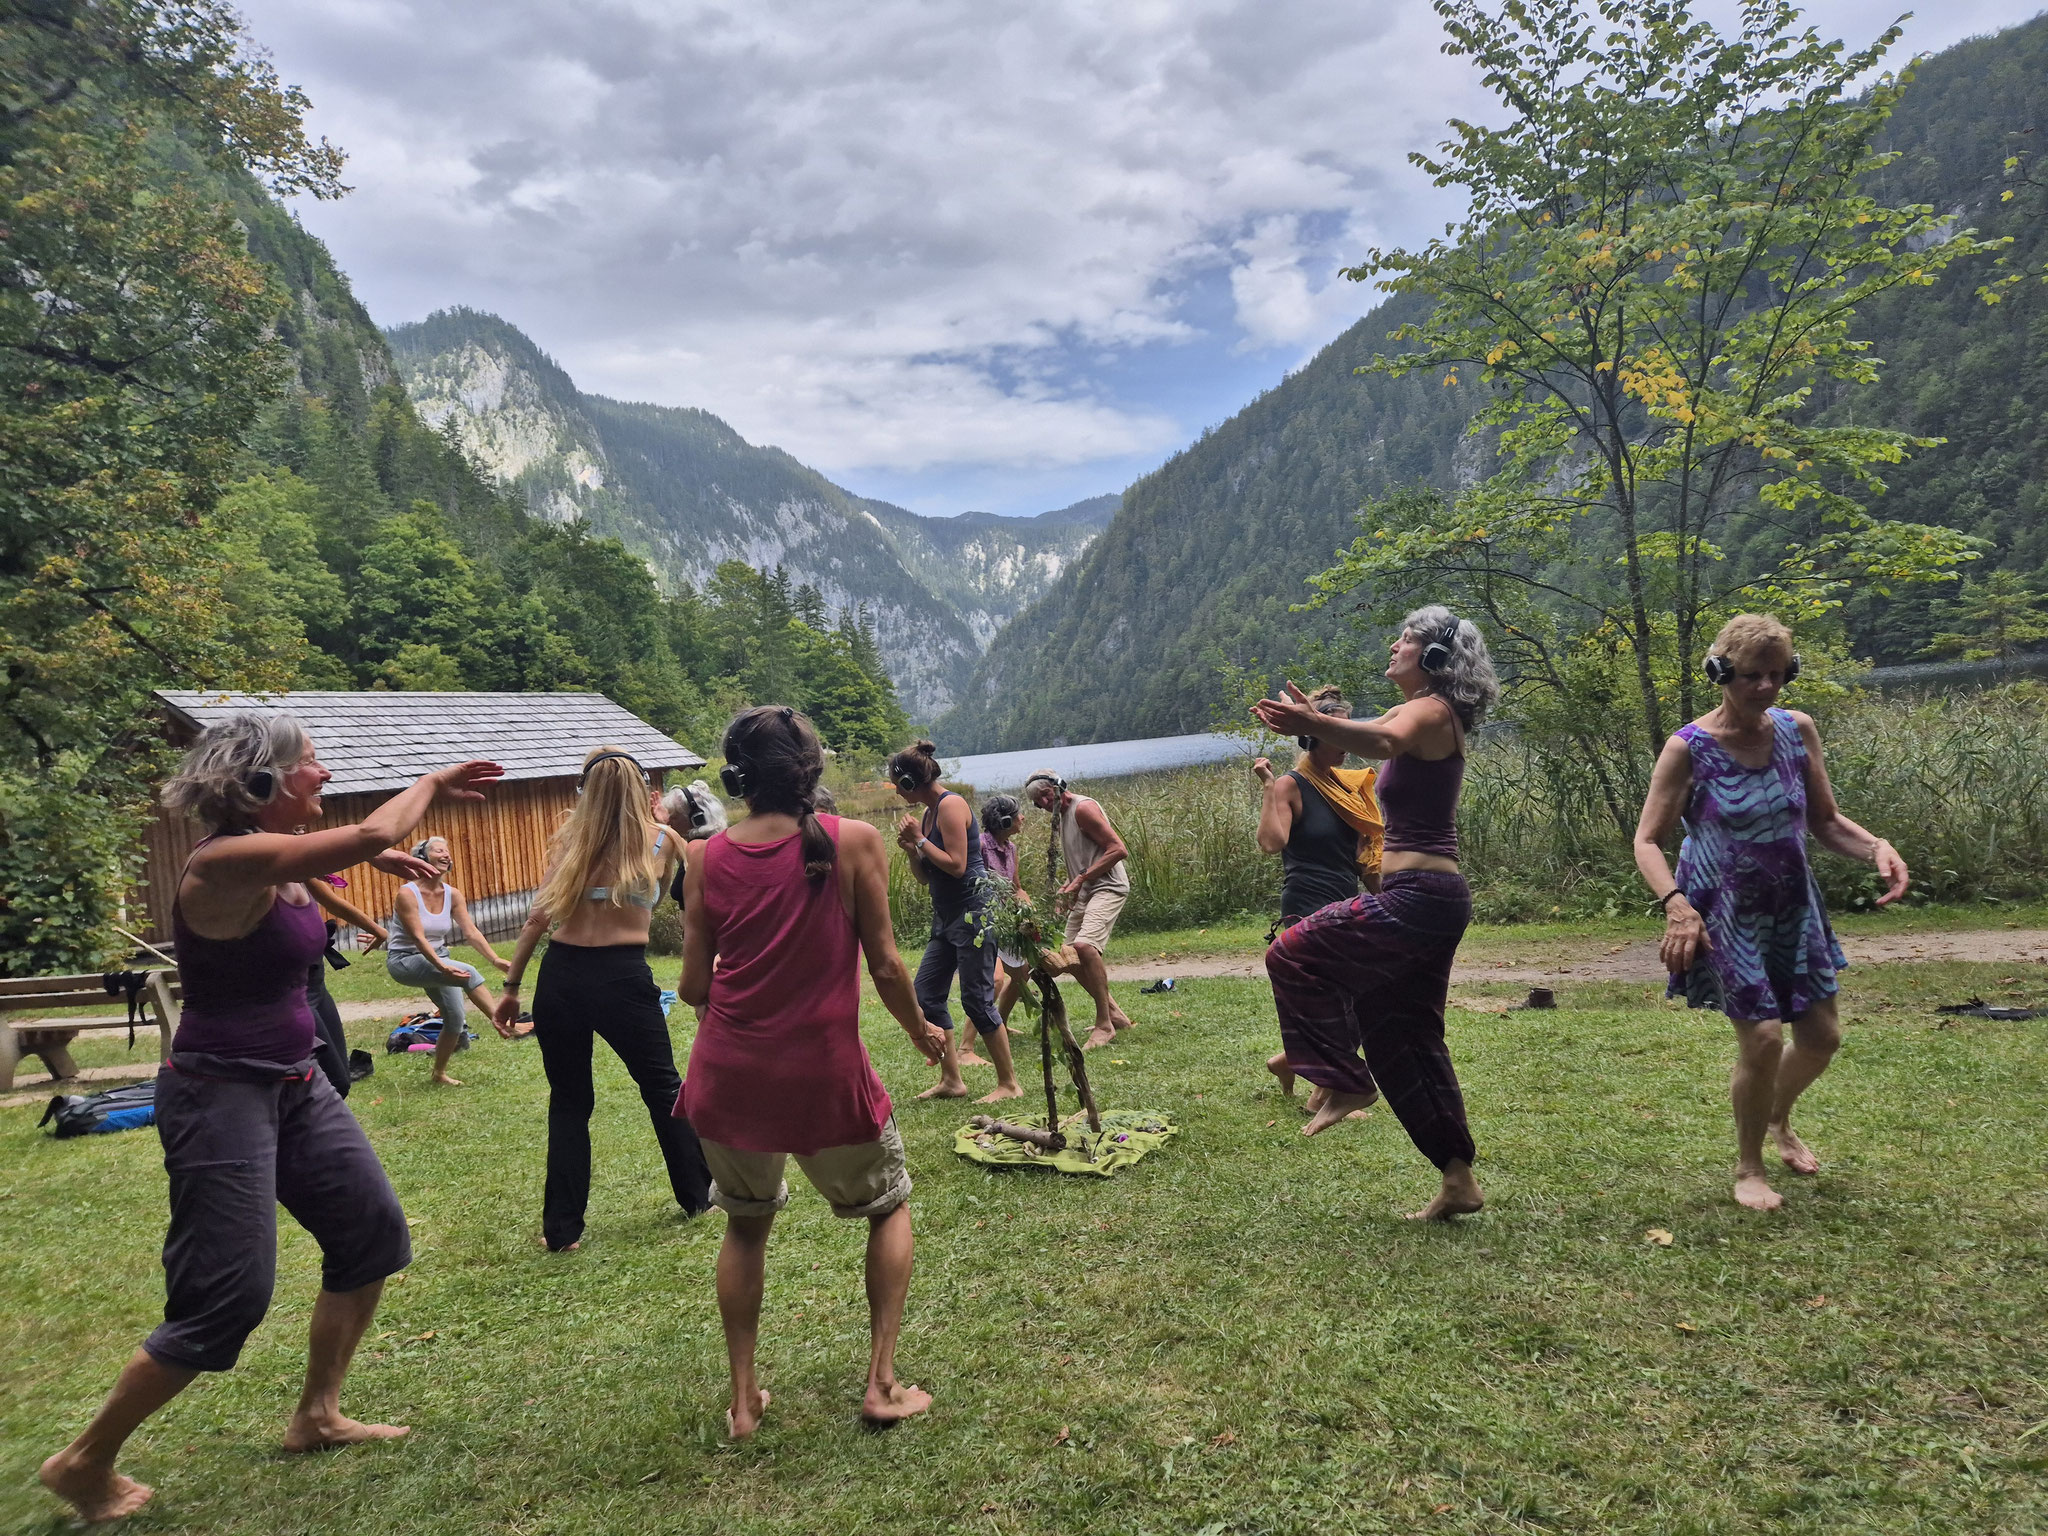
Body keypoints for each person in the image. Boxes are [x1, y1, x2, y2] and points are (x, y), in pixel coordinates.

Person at [39, 713, 497, 1525]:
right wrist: (426, 787)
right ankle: (83, 1460)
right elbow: (368, 829)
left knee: (370, 1235)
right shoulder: (224, 861)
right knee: (225, 1297)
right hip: (221, 1094)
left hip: (295, 1083)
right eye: (311, 764)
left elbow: (324, 869)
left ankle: (317, 1414)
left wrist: (372, 858)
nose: (322, 775)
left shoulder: (278, 865)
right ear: (260, 782)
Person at [677, 705, 946, 1438]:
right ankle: (882, 1385)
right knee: (887, 1206)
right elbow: (887, 964)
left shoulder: (702, 858)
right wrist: (922, 1031)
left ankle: (743, 1403)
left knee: (744, 1223)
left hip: (727, 1078)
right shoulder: (854, 840)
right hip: (825, 1075)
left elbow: (695, 988)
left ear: (738, 777)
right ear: (811, 770)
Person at [1633, 614, 1909, 1212]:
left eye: (1778, 676)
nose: (1766, 688)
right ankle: (1749, 1167)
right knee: (1760, 1040)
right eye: (1753, 675)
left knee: (1822, 1038)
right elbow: (1647, 840)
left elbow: (1826, 821)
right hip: (1725, 911)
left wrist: (1877, 848)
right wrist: (1676, 906)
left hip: (1793, 906)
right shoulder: (1689, 746)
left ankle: (1778, 1118)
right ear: (1720, 671)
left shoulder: (1795, 730)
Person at [1251, 605, 1497, 1220]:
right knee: (1404, 1039)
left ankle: (1342, 1078)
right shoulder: (1413, 711)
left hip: (1420, 898)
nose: (1395, 645)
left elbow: (1384, 740)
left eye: (1407, 640)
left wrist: (1308, 719)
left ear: (1436, 658)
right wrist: (1313, 723)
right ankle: (1458, 1178)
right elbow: (1369, 729)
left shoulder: (1433, 710)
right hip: (1427, 900)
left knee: (1289, 952)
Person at [492, 750, 714, 1252]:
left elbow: (536, 919)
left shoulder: (571, 844)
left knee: (569, 1102)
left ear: (584, 792)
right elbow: (700, 908)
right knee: (662, 1088)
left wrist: (511, 988)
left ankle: (562, 1231)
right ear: (642, 791)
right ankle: (699, 1196)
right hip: (622, 977)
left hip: (561, 977)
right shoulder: (665, 840)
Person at [1252, 685, 1384, 1104]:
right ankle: (1323, 1092)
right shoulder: (1293, 785)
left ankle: (1289, 1062)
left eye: (1346, 728)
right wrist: (1269, 787)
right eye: (1336, 730)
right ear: (1311, 735)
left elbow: (1364, 858)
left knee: (1365, 995)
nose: (1345, 739)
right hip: (1307, 906)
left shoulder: (1348, 788)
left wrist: (1390, 902)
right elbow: (1273, 843)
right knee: (1337, 1002)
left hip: (1347, 903)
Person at [892, 740, 1018, 1104]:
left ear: (909, 781)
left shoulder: (951, 805)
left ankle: (1009, 1083)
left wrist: (919, 840)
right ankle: (952, 1081)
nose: (897, 793)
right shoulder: (930, 813)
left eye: (896, 784)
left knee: (977, 1000)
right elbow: (926, 877)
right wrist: (912, 848)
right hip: (946, 917)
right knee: (926, 992)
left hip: (973, 912)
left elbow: (958, 865)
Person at [384, 836, 510, 1086]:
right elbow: (418, 938)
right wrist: (442, 966)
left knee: (454, 1019)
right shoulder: (407, 893)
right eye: (438, 851)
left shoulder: (452, 894)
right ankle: (501, 1023)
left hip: (438, 961)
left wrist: (495, 959)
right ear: (421, 858)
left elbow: (471, 932)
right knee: (469, 972)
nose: (445, 855)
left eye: (447, 852)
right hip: (404, 961)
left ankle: (439, 1074)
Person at [1021, 770, 1132, 1049]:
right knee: (1066, 953)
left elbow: (1118, 849)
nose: (1045, 804)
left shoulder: (1083, 809)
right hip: (1085, 890)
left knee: (1084, 947)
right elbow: (1084, 860)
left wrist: (1081, 879)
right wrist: (1069, 886)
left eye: (1046, 796)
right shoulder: (1061, 817)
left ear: (1059, 787)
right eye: (1038, 803)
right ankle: (1116, 1014)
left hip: (1108, 887)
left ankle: (1104, 1025)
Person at [306, 876, 389, 1098]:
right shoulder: (262, 874)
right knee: (336, 1082)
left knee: (340, 1078)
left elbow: (332, 900)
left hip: (317, 986)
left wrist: (376, 929)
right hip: (294, 993)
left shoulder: (298, 870)